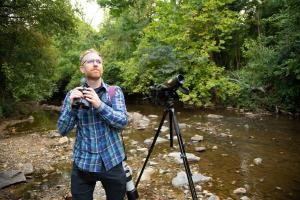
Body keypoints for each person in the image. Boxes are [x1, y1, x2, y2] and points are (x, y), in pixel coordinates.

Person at [57, 49, 128, 200]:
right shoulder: (73, 95)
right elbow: (62, 130)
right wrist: (71, 107)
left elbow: (122, 122)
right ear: (82, 68)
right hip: (83, 163)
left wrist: (99, 104)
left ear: (102, 67)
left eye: (99, 62)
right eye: (90, 61)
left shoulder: (114, 92)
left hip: (112, 160)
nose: (95, 64)